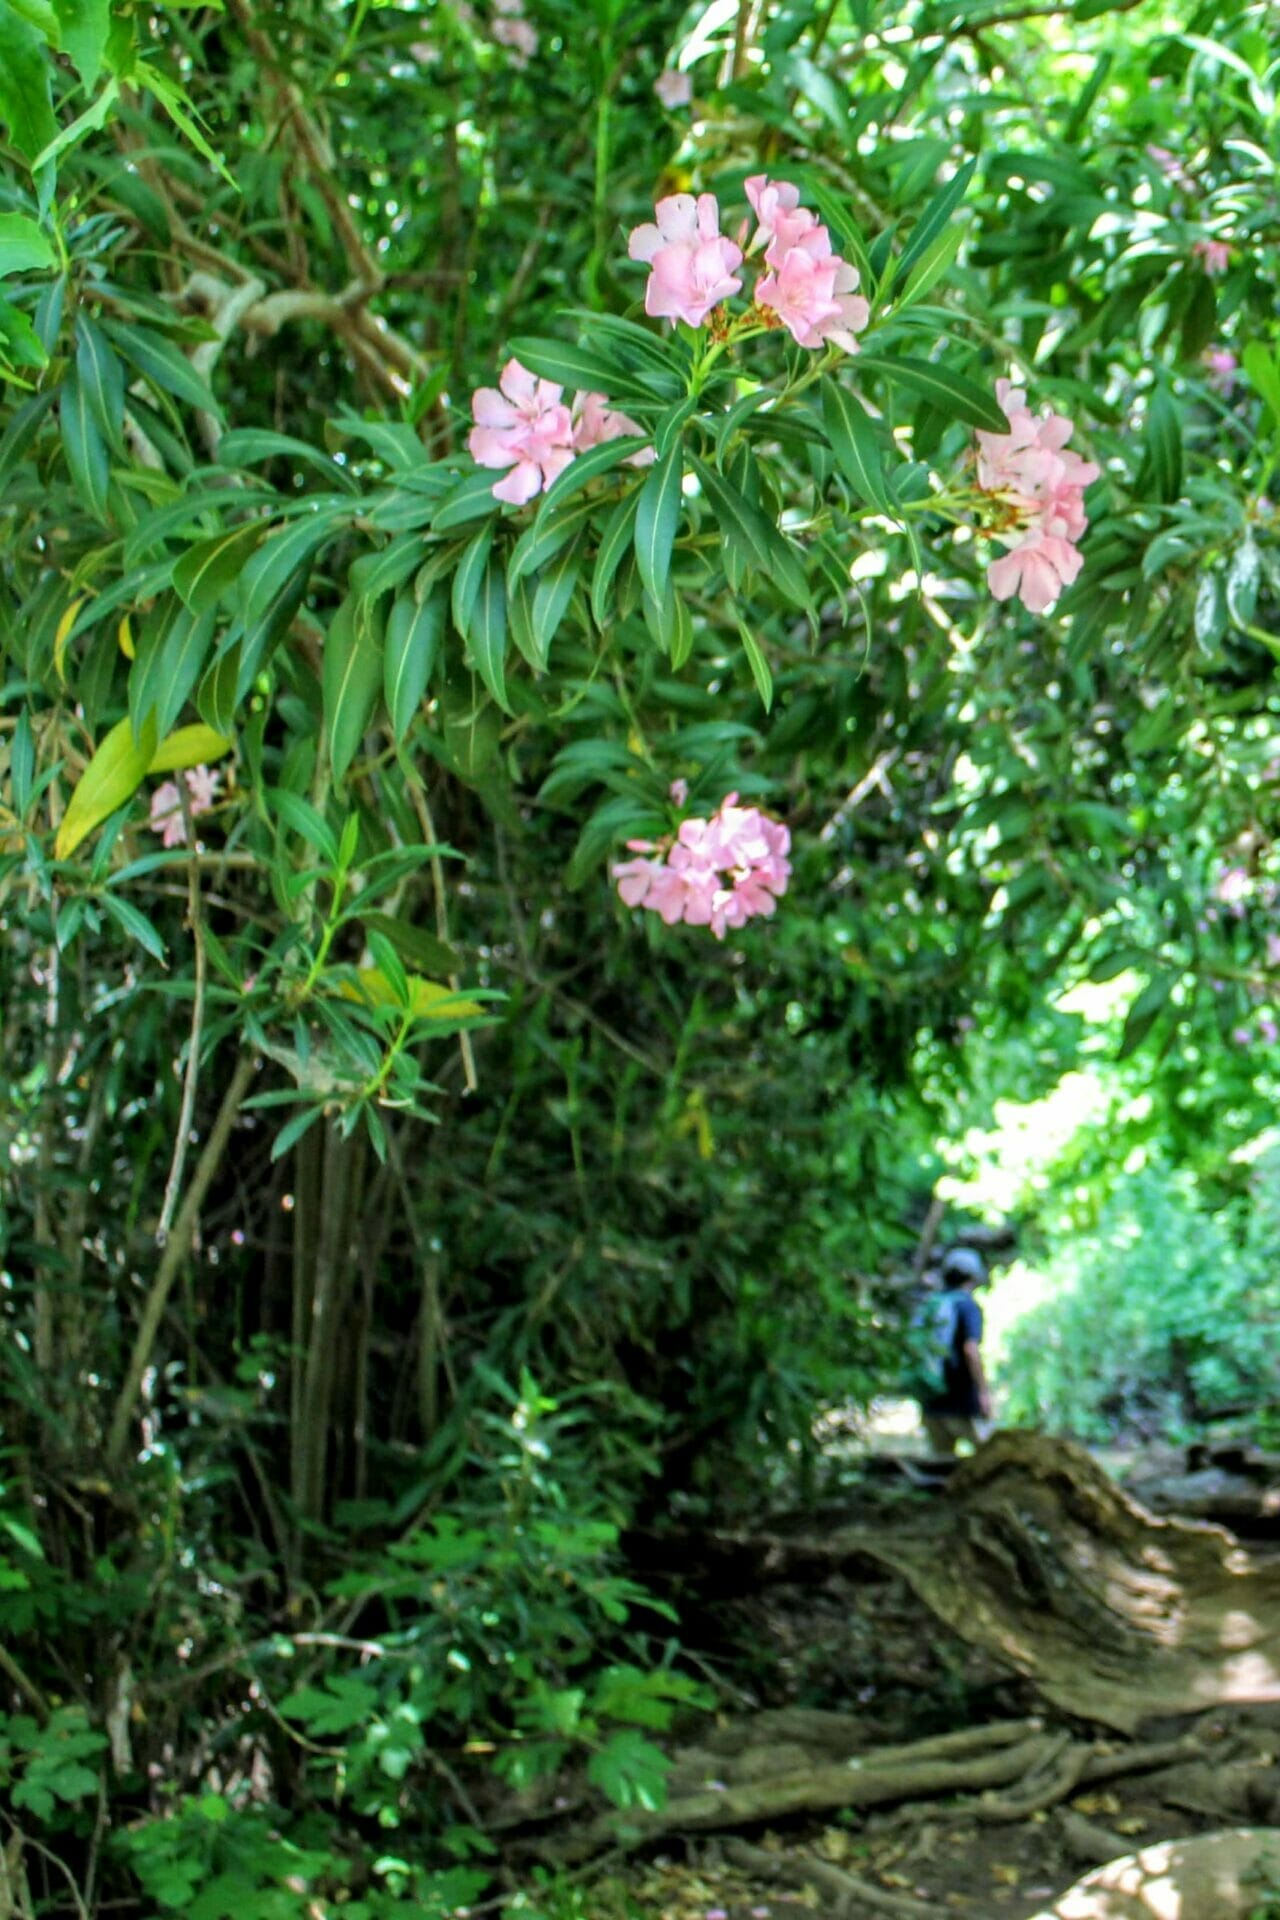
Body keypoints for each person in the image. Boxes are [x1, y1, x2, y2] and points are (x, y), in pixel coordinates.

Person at [921, 1246, 992, 1455]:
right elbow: (970, 1350)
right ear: (973, 1277)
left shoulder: (932, 1304)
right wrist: (983, 1392)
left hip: (931, 1400)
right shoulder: (968, 1306)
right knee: (991, 1460)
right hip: (962, 1403)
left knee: (939, 1467)